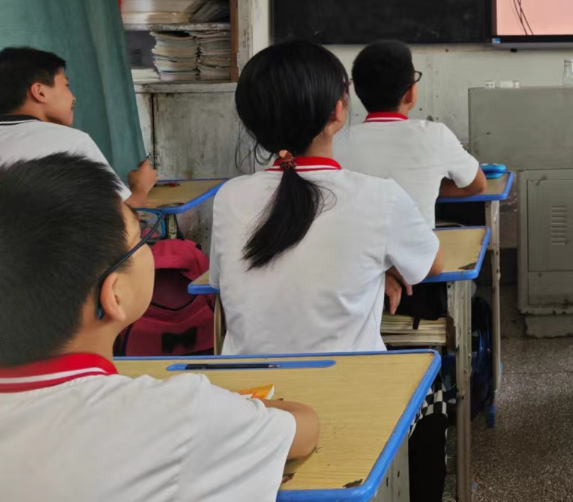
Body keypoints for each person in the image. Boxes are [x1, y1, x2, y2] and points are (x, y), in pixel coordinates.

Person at [0, 154, 318, 502]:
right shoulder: (176, 413)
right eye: (141, 240)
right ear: (114, 295)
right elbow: (303, 429)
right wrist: (230, 407)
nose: (150, 250)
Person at [208, 41, 443, 355]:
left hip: (251, 383)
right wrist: (377, 266)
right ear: (338, 109)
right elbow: (433, 265)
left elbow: (222, 281)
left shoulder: (229, 197)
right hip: (351, 382)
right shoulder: (381, 197)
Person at [334, 39, 485, 232]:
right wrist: (425, 185)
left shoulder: (336, 141)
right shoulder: (435, 135)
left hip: (358, 249)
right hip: (419, 251)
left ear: (357, 91)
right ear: (410, 94)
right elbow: (477, 185)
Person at [0, 46, 156, 207]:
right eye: (66, 85)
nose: (73, 98)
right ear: (40, 92)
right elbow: (126, 211)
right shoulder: (70, 141)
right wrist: (141, 186)